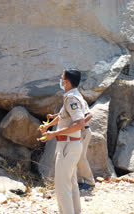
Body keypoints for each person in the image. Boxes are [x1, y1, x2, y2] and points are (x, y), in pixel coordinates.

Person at [39, 69, 85, 214]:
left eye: (62, 78)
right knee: (71, 184)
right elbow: (63, 115)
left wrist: (54, 133)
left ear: (67, 82)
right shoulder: (73, 96)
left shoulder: (71, 98)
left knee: (62, 187)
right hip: (71, 145)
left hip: (67, 145)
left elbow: (80, 123)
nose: (60, 80)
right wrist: (48, 125)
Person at [47, 100, 95, 190]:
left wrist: (80, 124)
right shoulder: (67, 100)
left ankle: (90, 182)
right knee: (74, 157)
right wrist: (50, 122)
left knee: (81, 157)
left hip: (83, 131)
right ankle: (79, 181)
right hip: (74, 133)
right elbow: (62, 115)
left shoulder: (78, 100)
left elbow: (89, 114)